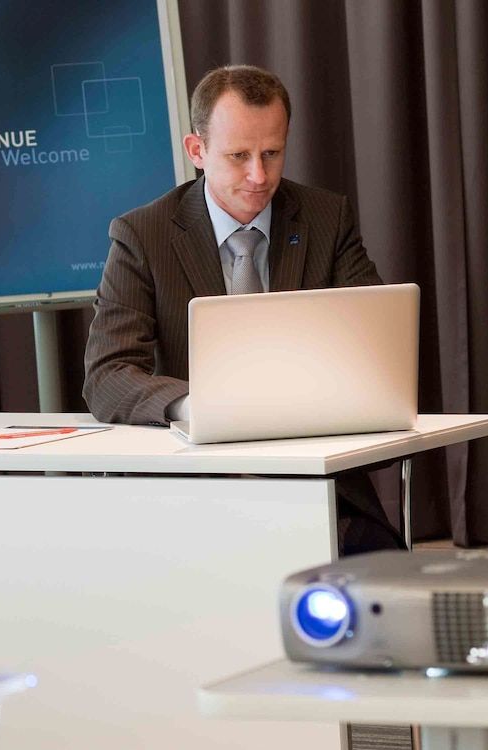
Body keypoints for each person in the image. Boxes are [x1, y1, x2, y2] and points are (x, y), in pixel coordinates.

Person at [83, 64, 405, 556]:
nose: (259, 176)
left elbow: (376, 349)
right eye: (238, 156)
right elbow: (107, 376)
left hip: (318, 488)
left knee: (372, 576)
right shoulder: (142, 235)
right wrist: (202, 407)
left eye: (272, 153)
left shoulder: (326, 217)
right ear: (197, 151)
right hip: (194, 493)